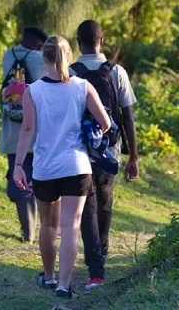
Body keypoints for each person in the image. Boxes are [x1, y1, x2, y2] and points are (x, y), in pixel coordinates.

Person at [13, 35, 111, 300]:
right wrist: (90, 133)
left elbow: (28, 129)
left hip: (45, 167)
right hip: (77, 165)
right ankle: (64, 286)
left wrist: (19, 165)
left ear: (43, 58)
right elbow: (105, 122)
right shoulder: (83, 86)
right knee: (70, 227)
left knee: (48, 226)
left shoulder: (32, 91)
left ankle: (48, 276)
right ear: (69, 57)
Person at [71, 20, 139, 291]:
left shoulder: (70, 72)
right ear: (102, 40)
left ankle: (94, 263)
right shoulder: (117, 72)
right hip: (109, 149)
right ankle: (104, 252)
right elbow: (128, 117)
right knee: (105, 202)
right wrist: (133, 156)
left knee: (88, 205)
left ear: (78, 41)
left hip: (79, 150)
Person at [0, 26, 48, 243]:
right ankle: (35, 228)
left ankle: (26, 230)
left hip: (12, 129)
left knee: (17, 175)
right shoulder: (40, 59)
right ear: (38, 44)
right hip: (36, 130)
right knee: (36, 179)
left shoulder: (8, 55)